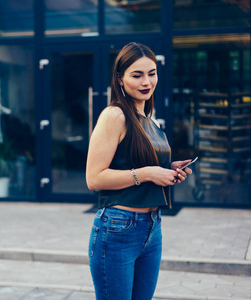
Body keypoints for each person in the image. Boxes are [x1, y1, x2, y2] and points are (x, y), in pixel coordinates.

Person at [86, 42, 193, 300]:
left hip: (152, 229)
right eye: (137, 75)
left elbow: (135, 163)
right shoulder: (115, 115)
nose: (147, 81)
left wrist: (167, 170)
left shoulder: (148, 120)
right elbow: (94, 178)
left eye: (152, 73)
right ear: (120, 79)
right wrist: (146, 173)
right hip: (118, 228)